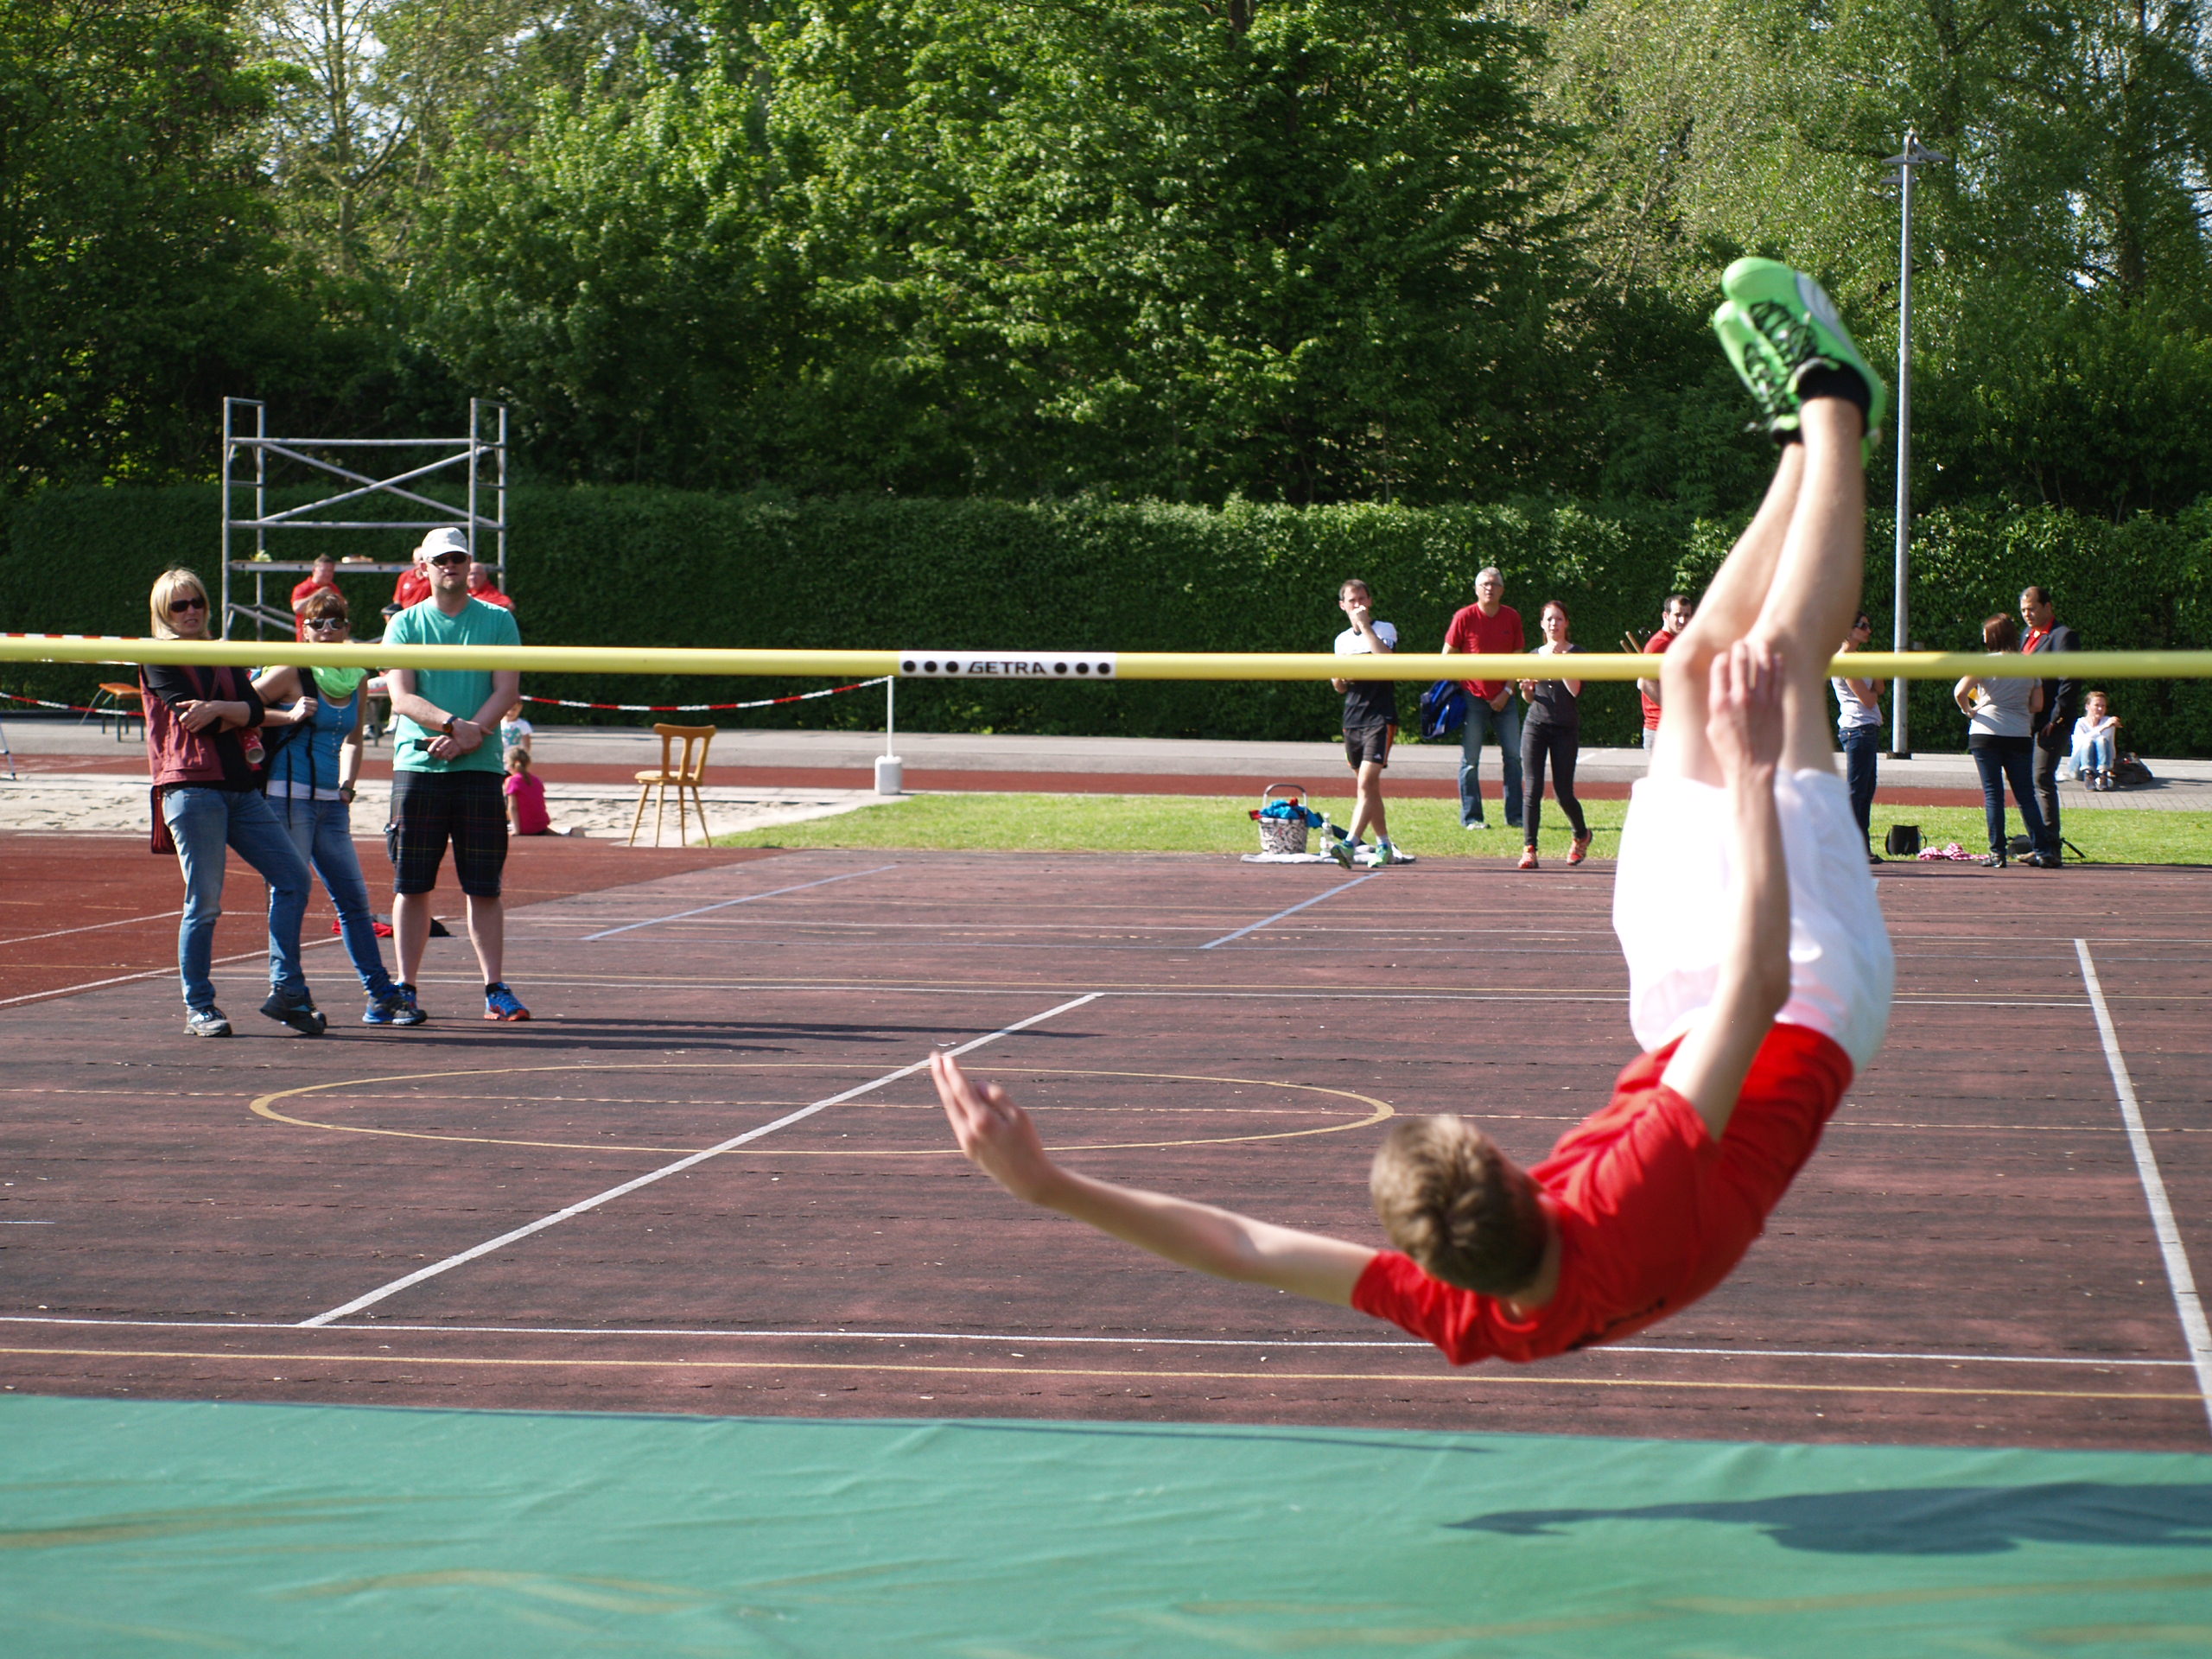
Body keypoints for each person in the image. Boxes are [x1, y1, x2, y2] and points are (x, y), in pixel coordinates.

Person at [928, 257, 1894, 1365]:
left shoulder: (1472, 1313)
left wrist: (1050, 1187)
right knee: (1774, 666)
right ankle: (1836, 402)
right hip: (1803, 1005)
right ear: (1505, 1171)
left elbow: (1242, 1247)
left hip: (1681, 1028)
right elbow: (1759, 983)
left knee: (1684, 672)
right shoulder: (1621, 1195)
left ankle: (1792, 443)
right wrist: (1752, 774)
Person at [139, 568, 327, 1039]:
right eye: (179, 605)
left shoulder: (221, 652)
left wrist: (224, 710)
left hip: (240, 788)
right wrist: (236, 713)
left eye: (197, 602)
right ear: (162, 611)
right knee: (204, 902)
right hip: (192, 787)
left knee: (293, 878)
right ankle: (199, 1006)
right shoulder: (157, 656)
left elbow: (254, 711)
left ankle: (287, 991)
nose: (191, 612)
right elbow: (196, 719)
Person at [382, 531, 531, 1021]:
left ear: (470, 565)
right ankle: (405, 987)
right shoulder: (405, 623)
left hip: (478, 766)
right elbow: (401, 697)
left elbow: (506, 690)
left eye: (458, 558)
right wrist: (453, 727)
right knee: (411, 883)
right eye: (441, 559)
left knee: (484, 885)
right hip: (420, 765)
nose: (450, 565)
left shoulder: (498, 620)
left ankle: (495, 988)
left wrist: (470, 736)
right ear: (422, 567)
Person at [251, 590, 414, 1026]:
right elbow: (244, 708)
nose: (327, 630)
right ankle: (287, 989)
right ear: (304, 629)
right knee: (291, 892)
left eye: (336, 622)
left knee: (354, 899)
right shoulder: (291, 670)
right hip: (288, 798)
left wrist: (347, 786)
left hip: (331, 803)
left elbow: (354, 738)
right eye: (318, 622)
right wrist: (286, 716)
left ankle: (380, 995)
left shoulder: (355, 676)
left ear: (347, 629)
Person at [1954, 613, 2056, 869]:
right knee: (2026, 796)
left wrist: (1970, 710)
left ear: (1992, 636)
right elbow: (2037, 705)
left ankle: (1997, 853)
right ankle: (2043, 851)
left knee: (1993, 794)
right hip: (2018, 733)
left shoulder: (1983, 663)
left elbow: (1959, 691)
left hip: (1985, 731)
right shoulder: (2029, 665)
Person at [1327, 578, 1409, 868]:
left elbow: (1387, 663)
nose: (1358, 605)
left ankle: (1349, 844)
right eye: (1352, 601)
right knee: (1368, 789)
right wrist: (1342, 677)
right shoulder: (1341, 640)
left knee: (1366, 781)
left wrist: (1366, 628)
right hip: (1353, 718)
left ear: (1370, 601)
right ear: (1343, 606)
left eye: (1362, 599)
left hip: (1380, 717)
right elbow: (1339, 685)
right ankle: (1384, 845)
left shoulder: (1384, 629)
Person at [1442, 567, 1524, 830]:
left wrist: (1507, 692)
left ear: (1502, 590)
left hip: (1506, 698)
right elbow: (1447, 655)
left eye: (1495, 584)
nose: (1490, 588)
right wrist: (1462, 686)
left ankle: (1516, 816)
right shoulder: (1464, 616)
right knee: (1470, 761)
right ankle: (1472, 818)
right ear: (1476, 589)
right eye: (1485, 584)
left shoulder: (1512, 617)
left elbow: (1518, 659)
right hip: (1472, 699)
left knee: (1514, 758)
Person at [1514, 600, 1590, 871]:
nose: (1553, 624)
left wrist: (1560, 661)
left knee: (1563, 793)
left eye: (1558, 619)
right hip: (1536, 725)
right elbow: (1529, 698)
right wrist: (1526, 689)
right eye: (1549, 619)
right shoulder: (1534, 655)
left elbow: (1574, 690)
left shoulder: (1577, 653)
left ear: (1566, 623)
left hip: (1565, 727)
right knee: (1532, 789)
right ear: (1542, 625)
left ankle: (1581, 834)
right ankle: (1529, 849)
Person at [2021, 585, 2081, 846]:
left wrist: (2057, 719)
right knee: (2025, 781)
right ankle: (2037, 842)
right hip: (2026, 721)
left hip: (2050, 723)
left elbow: (2070, 681)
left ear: (2048, 607)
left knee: (2041, 778)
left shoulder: (2063, 636)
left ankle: (2049, 845)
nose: (2027, 614)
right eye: (2024, 610)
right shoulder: (2026, 635)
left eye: (2032, 609)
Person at [1833, 611, 1885, 861]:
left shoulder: (1859, 659)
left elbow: (1879, 688)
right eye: (1863, 626)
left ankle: (1861, 848)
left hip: (1867, 728)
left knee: (1866, 790)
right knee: (1857, 792)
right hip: (1857, 729)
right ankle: (1850, 848)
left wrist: (1875, 676)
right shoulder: (1844, 661)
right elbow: (1868, 699)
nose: (1868, 630)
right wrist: (1872, 687)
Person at [1629, 595, 1695, 754]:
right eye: (1677, 615)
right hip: (1660, 730)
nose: (1682, 620)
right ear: (1666, 616)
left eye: (1686, 615)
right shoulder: (1658, 644)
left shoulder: (1678, 642)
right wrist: (1674, 708)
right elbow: (1644, 683)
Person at [2069, 690, 2120, 790]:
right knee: (2088, 741)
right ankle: (2088, 774)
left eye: (2103, 706)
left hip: (2099, 766)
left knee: (2102, 739)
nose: (2100, 709)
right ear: (2087, 707)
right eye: (2096, 705)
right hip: (2079, 766)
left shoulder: (2109, 722)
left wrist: (2111, 765)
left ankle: (2103, 775)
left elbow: (2110, 747)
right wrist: (2104, 727)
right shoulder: (2080, 723)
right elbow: (2081, 743)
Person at [290, 554, 341, 642]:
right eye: (324, 571)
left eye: (330, 571)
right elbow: (297, 608)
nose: (328, 574)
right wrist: (318, 595)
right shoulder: (303, 588)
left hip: (329, 637)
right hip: (307, 639)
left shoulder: (333, 588)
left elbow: (342, 609)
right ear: (314, 570)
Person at [504, 745, 554, 836]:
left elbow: (513, 807)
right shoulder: (536, 780)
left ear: (512, 765)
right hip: (541, 826)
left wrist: (516, 830)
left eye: (506, 763)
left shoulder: (511, 781)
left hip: (525, 828)